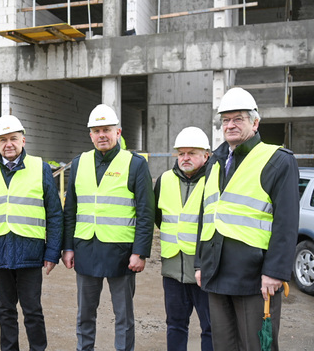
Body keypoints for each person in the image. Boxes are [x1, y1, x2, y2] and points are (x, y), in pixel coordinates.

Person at [195, 88, 299, 351]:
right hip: (216, 272)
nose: (230, 125)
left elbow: (286, 222)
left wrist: (275, 272)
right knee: (224, 346)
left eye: (238, 119)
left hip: (254, 277)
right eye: (225, 120)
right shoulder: (215, 161)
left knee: (256, 346)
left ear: (255, 122)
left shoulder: (277, 160)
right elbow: (207, 215)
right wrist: (199, 263)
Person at [61, 104, 154, 351]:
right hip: (86, 249)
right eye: (96, 130)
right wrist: (67, 248)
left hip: (121, 253)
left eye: (107, 130)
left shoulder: (135, 164)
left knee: (123, 317)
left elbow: (146, 212)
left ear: (118, 132)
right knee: (85, 315)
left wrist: (140, 252)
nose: (102, 135)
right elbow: (70, 209)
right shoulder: (79, 163)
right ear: (90, 134)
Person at [0, 114, 63, 351]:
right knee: (5, 311)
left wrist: (52, 252)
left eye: (13, 138)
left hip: (30, 253)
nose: (8, 144)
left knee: (32, 310)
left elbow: (54, 213)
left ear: (24, 140)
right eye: (3, 139)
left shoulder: (40, 168)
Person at [154, 127, 212, 351]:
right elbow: (160, 219)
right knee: (175, 325)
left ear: (206, 155)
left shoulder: (214, 180)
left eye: (192, 153)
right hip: (172, 268)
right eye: (181, 153)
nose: (185, 158)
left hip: (204, 269)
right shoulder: (165, 180)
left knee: (210, 327)